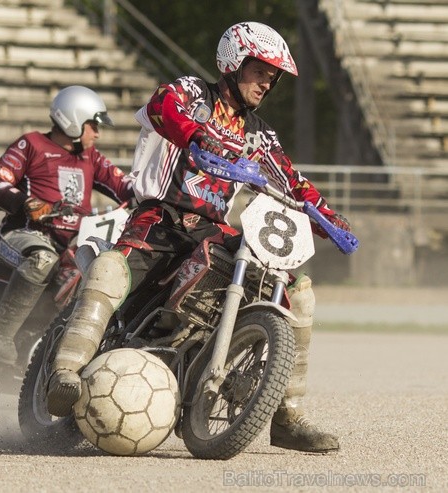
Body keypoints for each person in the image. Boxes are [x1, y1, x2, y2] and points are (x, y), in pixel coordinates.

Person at [46, 22, 351, 454]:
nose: (268, 82)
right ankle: (65, 371)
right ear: (233, 62)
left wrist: (326, 215)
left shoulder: (260, 133)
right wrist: (197, 135)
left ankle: (286, 415)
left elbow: (292, 179)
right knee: (111, 267)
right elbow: (161, 105)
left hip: (213, 229)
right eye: (261, 70)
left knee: (297, 291)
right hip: (163, 216)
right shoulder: (192, 93)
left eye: (273, 75)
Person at [0, 85, 134, 365]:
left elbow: (124, 185)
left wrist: (152, 192)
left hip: (72, 244)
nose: (97, 133)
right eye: (93, 126)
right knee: (43, 260)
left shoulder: (91, 157)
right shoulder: (32, 145)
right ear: (74, 121)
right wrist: (27, 203)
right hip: (23, 234)